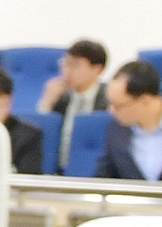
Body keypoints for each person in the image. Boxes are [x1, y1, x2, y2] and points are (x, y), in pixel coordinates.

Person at [36, 39, 111, 171]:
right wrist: (46, 103)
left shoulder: (109, 99)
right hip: (59, 171)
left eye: (75, 66)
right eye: (65, 64)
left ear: (97, 69)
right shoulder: (59, 97)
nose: (67, 71)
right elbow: (40, 137)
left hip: (95, 171)